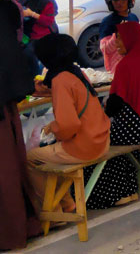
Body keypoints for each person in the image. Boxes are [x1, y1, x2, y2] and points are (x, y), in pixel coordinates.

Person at [83, 22, 140, 209]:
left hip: (134, 132)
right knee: (115, 137)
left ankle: (117, 194)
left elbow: (114, 106)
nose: (116, 43)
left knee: (95, 142)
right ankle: (129, 189)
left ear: (132, 39)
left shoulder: (127, 65)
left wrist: (102, 113)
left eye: (120, 38)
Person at [27, 34, 110, 211]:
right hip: (101, 139)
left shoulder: (60, 80)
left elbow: (68, 126)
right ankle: (66, 203)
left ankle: (55, 210)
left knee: (30, 158)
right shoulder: (74, 72)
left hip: (85, 146)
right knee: (47, 153)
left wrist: (53, 128)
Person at [0, 0, 40, 251]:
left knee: (6, 170)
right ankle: (21, 227)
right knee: (9, 167)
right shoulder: (5, 8)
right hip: (5, 98)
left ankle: (12, 231)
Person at [99, 0, 138, 74]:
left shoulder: (133, 18)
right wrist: (116, 36)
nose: (119, 3)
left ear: (129, 0)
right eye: (116, 0)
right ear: (110, 2)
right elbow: (104, 48)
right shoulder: (108, 22)